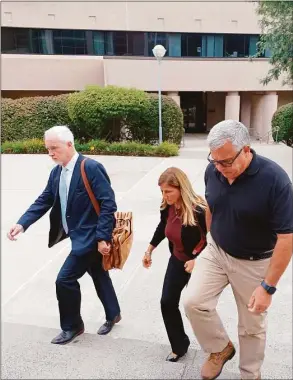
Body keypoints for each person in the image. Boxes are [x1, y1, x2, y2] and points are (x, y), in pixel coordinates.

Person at [183, 120, 293, 380]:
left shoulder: (275, 181)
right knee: (193, 302)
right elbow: (211, 206)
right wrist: (210, 240)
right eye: (215, 161)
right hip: (217, 251)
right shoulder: (214, 170)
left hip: (255, 262)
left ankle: (250, 373)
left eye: (226, 162)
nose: (220, 169)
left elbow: (287, 238)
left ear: (246, 150)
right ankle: (220, 349)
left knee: (251, 326)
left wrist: (268, 287)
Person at [7, 126, 121, 345]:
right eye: (48, 149)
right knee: (98, 273)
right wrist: (22, 224)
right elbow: (45, 199)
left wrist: (102, 238)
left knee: (65, 280)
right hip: (77, 235)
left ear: (70, 144)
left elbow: (108, 204)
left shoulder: (91, 168)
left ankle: (73, 326)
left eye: (54, 148)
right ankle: (113, 313)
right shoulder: (57, 171)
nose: (50, 153)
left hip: (90, 237)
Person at [142, 167, 207, 362]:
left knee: (198, 308)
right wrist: (150, 249)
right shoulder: (167, 206)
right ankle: (179, 345)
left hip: (200, 263)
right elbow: (163, 227)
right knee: (167, 302)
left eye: (168, 191)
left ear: (181, 188)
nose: (165, 195)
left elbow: (213, 239)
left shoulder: (199, 210)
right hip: (178, 260)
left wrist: (197, 260)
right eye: (162, 191)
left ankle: (216, 349)